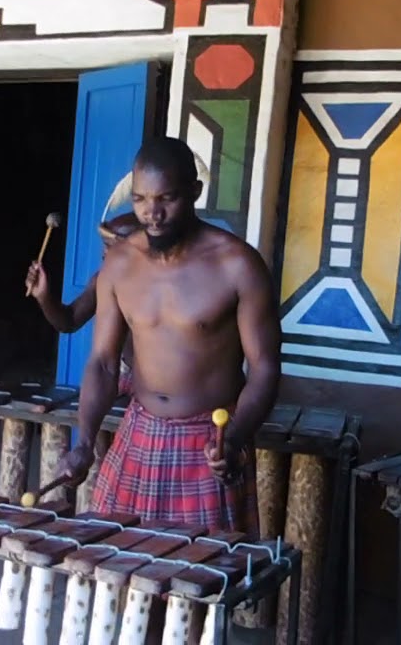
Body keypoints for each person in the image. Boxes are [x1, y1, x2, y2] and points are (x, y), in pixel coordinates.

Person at [55, 136, 281, 534]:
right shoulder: (119, 264)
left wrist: (234, 439)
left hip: (209, 442)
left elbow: (265, 368)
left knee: (203, 568)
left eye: (167, 198)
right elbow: (104, 363)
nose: (152, 214)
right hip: (138, 434)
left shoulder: (238, 265)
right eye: (140, 200)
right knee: (115, 561)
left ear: (195, 191)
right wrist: (84, 443)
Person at [25, 212, 141, 393]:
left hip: (160, 384)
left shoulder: (162, 287)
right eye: (104, 245)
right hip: (123, 375)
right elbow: (69, 321)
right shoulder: (103, 280)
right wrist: (43, 296)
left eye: (110, 246)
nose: (104, 253)